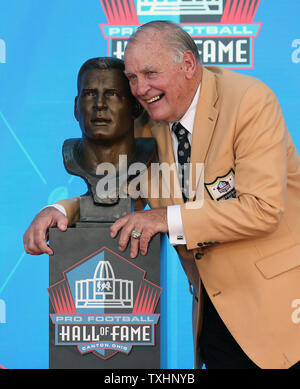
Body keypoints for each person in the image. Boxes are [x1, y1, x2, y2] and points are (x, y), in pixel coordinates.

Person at [24, 21, 300, 369]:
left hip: (281, 313)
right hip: (213, 316)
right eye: (133, 77)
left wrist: (163, 219)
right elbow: (117, 194)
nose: (140, 89)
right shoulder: (146, 122)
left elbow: (262, 209)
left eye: (150, 73)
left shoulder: (248, 101)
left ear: (188, 65)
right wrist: (61, 211)